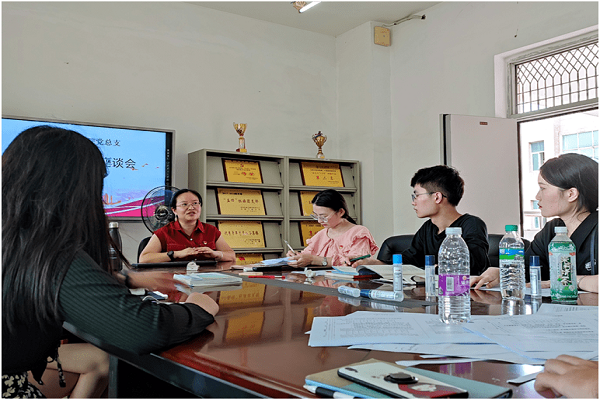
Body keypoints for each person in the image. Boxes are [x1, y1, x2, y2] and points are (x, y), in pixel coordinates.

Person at [2, 126, 219, 398]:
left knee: (101, 360)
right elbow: (141, 330)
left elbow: (228, 255)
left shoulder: (15, 238)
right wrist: (198, 309)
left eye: (195, 204)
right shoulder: (50, 253)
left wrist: (125, 278)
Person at [472, 153, 598, 289]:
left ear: (571, 194)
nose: (537, 196)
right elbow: (528, 269)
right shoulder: (551, 230)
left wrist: (569, 281)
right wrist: (502, 273)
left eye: (543, 188)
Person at [357, 165, 490, 275]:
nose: (413, 202)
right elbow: (409, 261)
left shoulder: (472, 224)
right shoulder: (428, 228)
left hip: (464, 295)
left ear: (437, 197)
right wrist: (373, 263)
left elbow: (475, 265)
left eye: (417, 196)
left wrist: (433, 268)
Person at [139, 188, 236, 263]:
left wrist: (215, 254)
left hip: (206, 279)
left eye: (195, 203)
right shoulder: (163, 232)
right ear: (174, 210)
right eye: (184, 204)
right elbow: (144, 259)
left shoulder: (211, 230)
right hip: (173, 280)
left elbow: (231, 256)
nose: (191, 207)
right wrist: (176, 254)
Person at [286, 189, 378, 267]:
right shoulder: (321, 234)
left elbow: (355, 263)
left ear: (341, 212)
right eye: (316, 216)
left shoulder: (359, 233)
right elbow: (307, 255)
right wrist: (296, 256)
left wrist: (314, 260)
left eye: (323, 217)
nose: (319, 221)